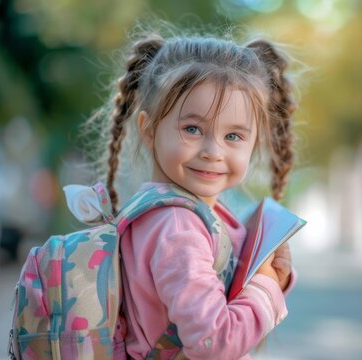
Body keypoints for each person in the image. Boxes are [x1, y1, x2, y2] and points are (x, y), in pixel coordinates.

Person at [94, 27, 298, 359]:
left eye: (233, 136)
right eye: (192, 129)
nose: (213, 151)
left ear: (254, 140)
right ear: (149, 130)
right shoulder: (178, 227)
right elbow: (214, 343)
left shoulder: (185, 216)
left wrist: (273, 275)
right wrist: (266, 286)